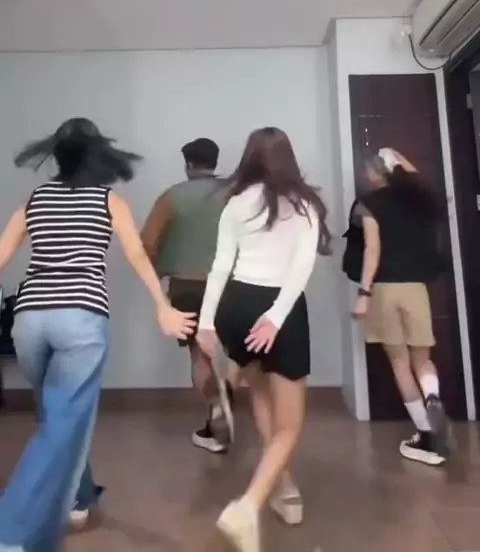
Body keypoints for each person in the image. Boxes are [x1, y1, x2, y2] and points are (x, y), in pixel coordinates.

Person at [0, 118, 195, 552]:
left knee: (55, 413)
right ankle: (18, 528)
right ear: (98, 156)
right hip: (80, 318)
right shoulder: (108, 200)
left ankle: (79, 495)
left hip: (29, 319)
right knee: (64, 419)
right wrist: (162, 306)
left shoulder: (35, 199)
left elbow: (0, 255)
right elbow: (136, 254)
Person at [196, 127, 329, 552]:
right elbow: (301, 268)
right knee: (291, 425)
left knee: (261, 396)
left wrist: (206, 323)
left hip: (235, 305)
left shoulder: (235, 202)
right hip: (278, 310)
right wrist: (274, 317)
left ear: (249, 158)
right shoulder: (304, 204)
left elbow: (220, 266)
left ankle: (282, 483)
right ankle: (249, 505)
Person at [353, 148, 451, 466]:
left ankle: (426, 435)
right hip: (416, 290)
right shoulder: (419, 201)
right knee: (423, 360)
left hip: (385, 290)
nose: (366, 175)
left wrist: (363, 293)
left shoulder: (370, 204)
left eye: (369, 170)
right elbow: (418, 180)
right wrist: (396, 157)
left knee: (399, 363)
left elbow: (372, 252)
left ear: (376, 174)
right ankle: (433, 396)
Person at [141, 137, 237, 453]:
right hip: (234, 285)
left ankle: (215, 406)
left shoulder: (172, 196)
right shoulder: (235, 194)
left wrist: (155, 274)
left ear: (188, 164)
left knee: (199, 354)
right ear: (215, 161)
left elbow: (148, 242)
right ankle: (228, 392)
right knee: (235, 351)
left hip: (187, 286)